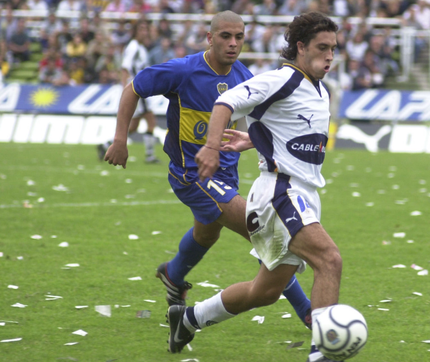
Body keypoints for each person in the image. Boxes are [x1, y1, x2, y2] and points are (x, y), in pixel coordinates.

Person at [102, 9, 313, 331]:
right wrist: (120, 140)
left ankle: (173, 275)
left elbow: (250, 123)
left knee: (207, 232)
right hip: (191, 175)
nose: (233, 44)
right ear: (209, 37)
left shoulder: (243, 76)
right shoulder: (184, 70)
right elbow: (133, 88)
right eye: (225, 36)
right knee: (259, 230)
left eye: (239, 37)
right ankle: (308, 313)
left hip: (225, 173)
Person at [168, 12, 342, 362]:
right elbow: (226, 103)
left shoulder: (316, 87)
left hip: (302, 192)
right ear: (300, 47)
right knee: (329, 260)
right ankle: (323, 353)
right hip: (281, 193)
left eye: (334, 49)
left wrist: (254, 138)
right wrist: (212, 147)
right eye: (322, 48)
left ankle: (189, 318)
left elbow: (284, 128)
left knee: (264, 292)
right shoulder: (282, 78)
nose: (330, 56)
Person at [98, 21, 160, 164]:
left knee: (133, 126)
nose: (144, 33)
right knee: (151, 121)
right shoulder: (133, 47)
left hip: (140, 88)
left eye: (146, 30)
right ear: (135, 32)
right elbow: (125, 68)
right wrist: (125, 88)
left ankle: (105, 145)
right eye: (141, 29)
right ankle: (150, 156)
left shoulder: (141, 48)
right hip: (138, 89)